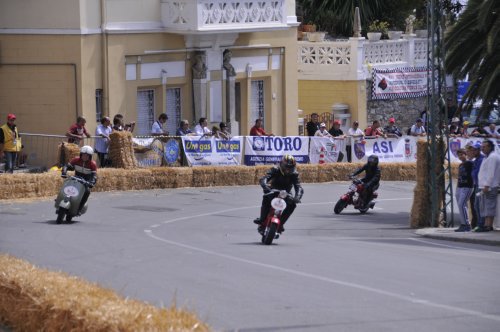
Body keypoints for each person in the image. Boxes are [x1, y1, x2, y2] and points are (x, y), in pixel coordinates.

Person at [253, 155, 304, 234]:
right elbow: (265, 178)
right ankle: (262, 219)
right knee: (266, 197)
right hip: (273, 190)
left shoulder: (294, 174)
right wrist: (265, 186)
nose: (288, 170)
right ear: (282, 165)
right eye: (287, 167)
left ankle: (281, 224)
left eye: (290, 167)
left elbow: (298, 187)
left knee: (292, 204)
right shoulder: (275, 169)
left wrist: (297, 197)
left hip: (286, 193)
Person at [61, 145, 97, 214]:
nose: (85, 157)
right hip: (75, 178)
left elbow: (94, 176)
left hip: (85, 182)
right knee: (66, 183)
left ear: (90, 156)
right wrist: (64, 172)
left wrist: (92, 182)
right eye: (83, 155)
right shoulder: (76, 160)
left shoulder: (93, 164)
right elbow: (67, 166)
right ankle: (60, 198)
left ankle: (79, 208)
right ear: (81, 154)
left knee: (87, 192)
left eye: (87, 155)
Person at [475, 140, 500, 232]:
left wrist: (487, 185)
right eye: (482, 147)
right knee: (484, 206)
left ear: (490, 147)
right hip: (485, 186)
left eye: (484, 147)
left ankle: (488, 226)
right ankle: (485, 225)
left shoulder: (493, 157)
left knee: (489, 206)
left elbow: (490, 173)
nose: (482, 148)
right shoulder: (487, 157)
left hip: (490, 186)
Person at [454, 148, 474, 232]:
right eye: (458, 155)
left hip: (467, 186)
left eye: (462, 154)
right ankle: (463, 224)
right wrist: (457, 188)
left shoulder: (470, 163)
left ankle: (467, 224)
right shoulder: (461, 165)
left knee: (462, 204)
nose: (460, 156)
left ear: (465, 154)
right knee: (461, 205)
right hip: (460, 186)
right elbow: (459, 176)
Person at [467, 142, 485, 230]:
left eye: (474, 150)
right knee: (476, 205)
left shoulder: (481, 160)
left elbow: (478, 173)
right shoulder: (476, 160)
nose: (473, 152)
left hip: (481, 185)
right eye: (472, 150)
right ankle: (479, 223)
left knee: (479, 205)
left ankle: (481, 224)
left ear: (479, 150)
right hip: (477, 184)